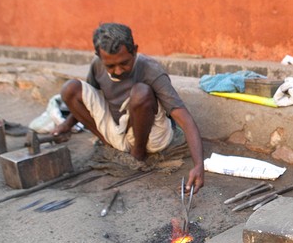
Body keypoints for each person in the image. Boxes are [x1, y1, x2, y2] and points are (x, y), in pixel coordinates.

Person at [53, 23, 204, 193]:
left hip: (151, 137)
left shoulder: (151, 69)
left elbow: (184, 118)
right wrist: (67, 125)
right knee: (70, 89)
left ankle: (138, 155)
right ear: (99, 56)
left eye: (124, 63)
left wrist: (199, 165)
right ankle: (110, 145)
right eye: (110, 66)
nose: (117, 71)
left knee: (141, 92)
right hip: (117, 132)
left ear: (135, 50)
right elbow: (88, 101)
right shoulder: (97, 65)